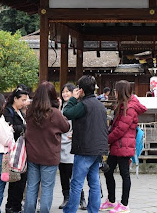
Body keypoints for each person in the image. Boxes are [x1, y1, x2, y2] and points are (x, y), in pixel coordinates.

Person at [62, 75, 108, 213]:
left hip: (84, 149)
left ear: (81, 90)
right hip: (98, 149)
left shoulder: (84, 105)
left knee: (76, 183)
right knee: (94, 183)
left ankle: (70, 210)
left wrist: (72, 99)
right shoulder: (100, 105)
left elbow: (67, 113)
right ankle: (93, 210)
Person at [100, 80, 147, 213]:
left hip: (124, 146)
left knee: (124, 174)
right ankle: (112, 200)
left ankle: (125, 204)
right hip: (117, 145)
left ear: (121, 91)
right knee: (108, 171)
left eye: (116, 90)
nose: (114, 92)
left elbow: (120, 129)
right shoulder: (122, 105)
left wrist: (106, 140)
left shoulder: (130, 108)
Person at [23, 82, 70, 213]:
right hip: (50, 156)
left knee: (32, 186)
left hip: (32, 155)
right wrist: (59, 108)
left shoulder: (30, 111)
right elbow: (66, 127)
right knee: (47, 187)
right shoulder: (54, 113)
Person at [59, 83, 87, 210]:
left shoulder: (76, 106)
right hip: (60, 143)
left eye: (67, 91)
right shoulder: (60, 106)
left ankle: (81, 198)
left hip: (71, 144)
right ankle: (66, 198)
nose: (65, 94)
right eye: (63, 91)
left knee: (74, 174)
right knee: (63, 173)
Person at [4, 85, 31, 213]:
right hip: (13, 150)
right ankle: (12, 206)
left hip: (22, 151)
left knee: (20, 180)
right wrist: (25, 128)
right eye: (23, 100)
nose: (24, 103)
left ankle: (16, 205)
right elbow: (10, 128)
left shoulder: (20, 112)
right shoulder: (8, 111)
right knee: (15, 180)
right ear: (15, 99)